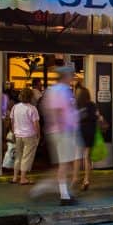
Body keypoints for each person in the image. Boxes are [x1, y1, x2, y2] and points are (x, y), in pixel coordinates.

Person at [41, 65, 80, 205]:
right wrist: (62, 127)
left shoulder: (52, 90)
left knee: (65, 164)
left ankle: (65, 192)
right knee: (64, 165)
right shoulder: (62, 90)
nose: (72, 78)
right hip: (62, 131)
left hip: (59, 131)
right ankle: (64, 195)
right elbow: (57, 110)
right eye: (71, 75)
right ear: (66, 76)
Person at [9, 88, 40, 185]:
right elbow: (36, 124)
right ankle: (23, 178)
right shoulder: (32, 109)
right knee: (26, 157)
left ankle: (14, 177)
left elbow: (12, 121)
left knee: (18, 156)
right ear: (30, 97)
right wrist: (38, 134)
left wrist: (14, 132)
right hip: (29, 135)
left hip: (18, 135)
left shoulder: (15, 107)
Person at [76, 86, 101, 191]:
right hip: (90, 132)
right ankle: (86, 180)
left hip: (79, 132)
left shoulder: (76, 105)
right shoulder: (92, 105)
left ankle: (75, 177)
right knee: (87, 157)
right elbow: (98, 116)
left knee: (77, 156)